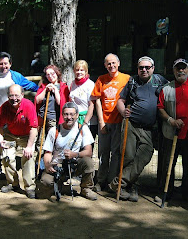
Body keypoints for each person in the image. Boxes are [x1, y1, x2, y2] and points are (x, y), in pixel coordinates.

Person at [108, 56, 168, 201]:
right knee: (128, 156)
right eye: (141, 67)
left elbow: (173, 91)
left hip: (148, 128)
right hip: (131, 123)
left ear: (153, 68)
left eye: (147, 67)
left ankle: (117, 184)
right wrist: (123, 111)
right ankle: (129, 187)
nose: (144, 70)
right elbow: (120, 101)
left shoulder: (160, 81)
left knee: (146, 154)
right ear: (138, 69)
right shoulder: (132, 81)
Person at [0, 52, 38, 179]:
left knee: (7, 141)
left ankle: (12, 168)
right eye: (0, 63)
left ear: (10, 64)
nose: (3, 66)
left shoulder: (16, 76)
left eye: (6, 63)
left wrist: (42, 90)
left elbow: (32, 86)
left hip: (13, 113)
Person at [157, 58, 188, 205]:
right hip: (170, 133)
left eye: (183, 68)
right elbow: (160, 107)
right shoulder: (166, 88)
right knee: (168, 165)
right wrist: (171, 120)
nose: (181, 71)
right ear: (173, 71)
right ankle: (166, 192)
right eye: (177, 68)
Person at [39, 102, 97, 200]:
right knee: (45, 182)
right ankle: (58, 184)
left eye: (72, 114)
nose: (69, 117)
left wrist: (75, 154)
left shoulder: (83, 129)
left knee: (88, 162)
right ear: (62, 115)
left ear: (77, 115)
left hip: (74, 164)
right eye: (66, 114)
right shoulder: (54, 130)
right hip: (58, 165)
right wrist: (48, 165)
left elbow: (89, 152)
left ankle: (86, 188)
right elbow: (47, 152)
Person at [90, 53, 130, 191]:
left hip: (119, 122)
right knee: (103, 152)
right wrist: (101, 122)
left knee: (116, 153)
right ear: (105, 65)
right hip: (105, 122)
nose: (111, 66)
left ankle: (111, 181)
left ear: (118, 63)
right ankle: (100, 180)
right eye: (108, 63)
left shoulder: (126, 79)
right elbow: (97, 101)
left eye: (113, 63)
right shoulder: (101, 79)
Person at [0, 84, 38, 199]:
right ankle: (12, 183)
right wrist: (1, 140)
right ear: (7, 96)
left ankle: (30, 187)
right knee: (7, 157)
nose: (14, 98)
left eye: (17, 95)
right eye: (11, 95)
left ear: (22, 95)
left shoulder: (28, 106)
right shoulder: (4, 108)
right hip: (10, 134)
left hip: (27, 135)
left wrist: (29, 146)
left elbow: (33, 128)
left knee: (28, 157)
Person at [69, 60, 98, 145]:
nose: (79, 72)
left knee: (86, 148)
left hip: (88, 121)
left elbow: (91, 105)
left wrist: (85, 122)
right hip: (75, 120)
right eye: (77, 70)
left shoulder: (90, 84)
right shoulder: (73, 83)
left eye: (82, 70)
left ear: (86, 71)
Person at [35, 64, 70, 133]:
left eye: (52, 73)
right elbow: (37, 100)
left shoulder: (63, 87)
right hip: (41, 117)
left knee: (52, 139)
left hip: (53, 119)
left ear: (57, 73)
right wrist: (45, 90)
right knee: (40, 142)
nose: (50, 76)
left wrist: (55, 89)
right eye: (48, 74)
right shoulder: (43, 86)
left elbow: (60, 103)